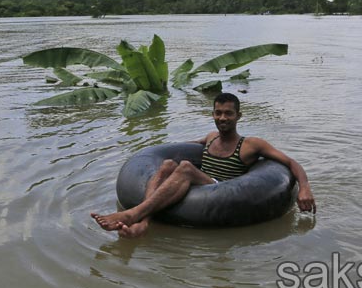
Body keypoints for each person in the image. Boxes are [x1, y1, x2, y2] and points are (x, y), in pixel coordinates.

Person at [91, 92, 316, 238]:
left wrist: (304, 187)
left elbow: (290, 162)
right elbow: (183, 148)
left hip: (223, 191)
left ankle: (133, 214)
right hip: (197, 187)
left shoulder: (250, 144)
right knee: (169, 162)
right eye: (218, 113)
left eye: (228, 113)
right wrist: (151, 154)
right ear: (213, 115)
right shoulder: (210, 138)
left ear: (239, 115)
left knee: (186, 168)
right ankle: (143, 223)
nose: (223, 118)